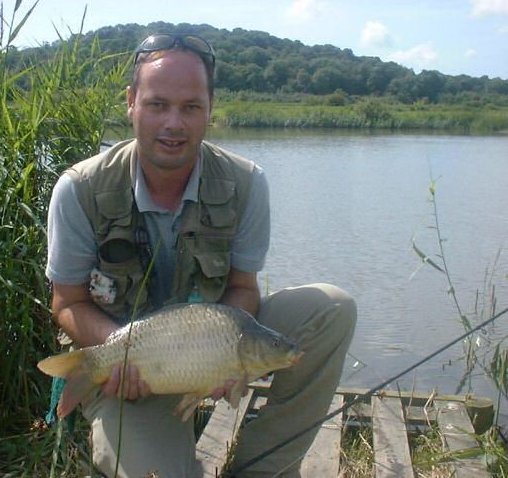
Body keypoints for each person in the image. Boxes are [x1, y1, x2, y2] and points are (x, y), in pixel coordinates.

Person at [46, 33, 357, 478]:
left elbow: (242, 288)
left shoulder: (246, 182)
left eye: (191, 106)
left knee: (331, 309)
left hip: (214, 342)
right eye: (157, 104)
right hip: (128, 373)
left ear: (211, 108)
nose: (174, 123)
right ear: (131, 102)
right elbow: (68, 302)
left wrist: (227, 358)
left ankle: (261, 468)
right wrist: (118, 354)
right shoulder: (79, 189)